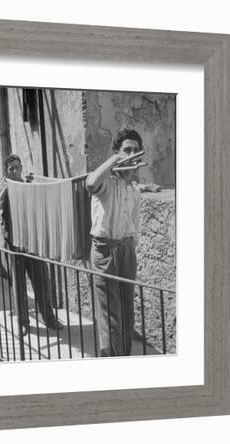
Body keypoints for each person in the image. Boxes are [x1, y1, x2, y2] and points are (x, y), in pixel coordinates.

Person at [0, 154, 63, 335]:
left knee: (42, 283)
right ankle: (23, 322)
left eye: (17, 167)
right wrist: (7, 187)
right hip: (14, 245)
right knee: (19, 286)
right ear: (7, 172)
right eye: (11, 169)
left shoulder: (30, 186)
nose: (15, 171)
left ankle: (49, 318)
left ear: (21, 167)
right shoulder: (4, 189)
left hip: (32, 245)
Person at [85, 128, 143, 357]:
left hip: (126, 251)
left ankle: (125, 358)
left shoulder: (135, 190)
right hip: (105, 250)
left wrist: (130, 250)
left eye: (136, 150)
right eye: (127, 150)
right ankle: (111, 364)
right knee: (111, 316)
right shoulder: (106, 182)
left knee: (127, 311)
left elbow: (135, 226)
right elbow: (90, 183)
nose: (132, 154)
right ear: (117, 153)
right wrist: (115, 160)